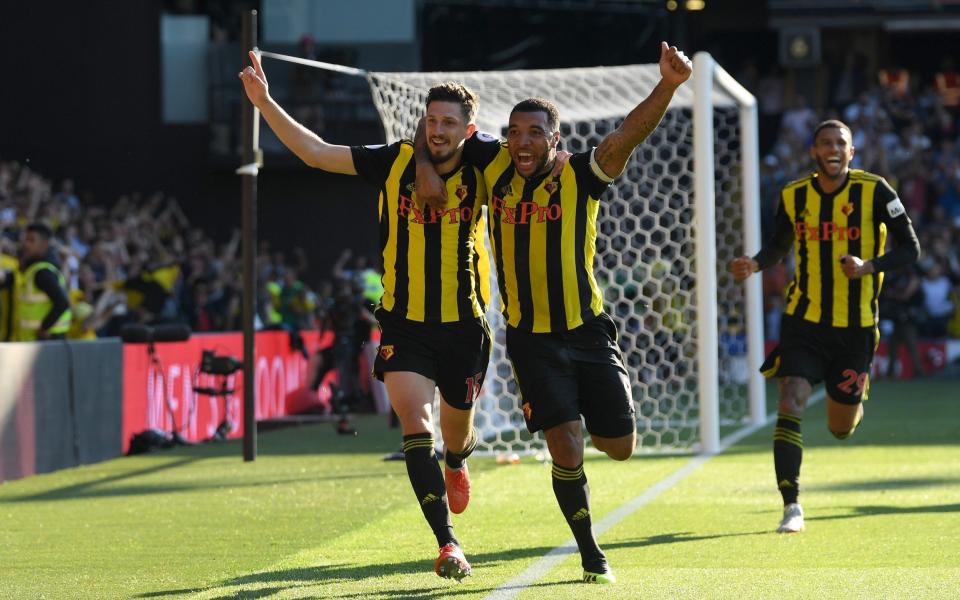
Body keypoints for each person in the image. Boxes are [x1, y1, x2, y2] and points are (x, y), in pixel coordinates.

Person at [415, 41, 693, 584]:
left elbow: (626, 136)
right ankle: (592, 554)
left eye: (534, 132)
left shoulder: (582, 174)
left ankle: (592, 414)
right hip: (530, 340)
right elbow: (435, 136)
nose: (522, 141)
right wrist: (426, 166)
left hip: (588, 332)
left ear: (555, 139)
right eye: (515, 131)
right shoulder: (491, 163)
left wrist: (669, 84)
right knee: (565, 444)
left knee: (619, 447)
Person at [240, 52, 490, 580]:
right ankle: (447, 543)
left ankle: (457, 459)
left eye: (449, 123)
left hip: (465, 325)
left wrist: (559, 159)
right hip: (404, 322)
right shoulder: (394, 160)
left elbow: (534, 155)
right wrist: (265, 103)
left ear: (469, 129)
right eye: (431, 120)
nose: (438, 130)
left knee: (455, 430)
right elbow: (315, 153)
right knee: (413, 425)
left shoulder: (488, 161)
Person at [729, 119, 921, 533]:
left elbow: (911, 249)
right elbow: (781, 243)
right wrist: (756, 263)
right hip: (804, 320)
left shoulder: (876, 191)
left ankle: (854, 392)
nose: (833, 149)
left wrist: (869, 266)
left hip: (855, 328)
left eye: (841, 143)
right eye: (826, 143)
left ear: (852, 152)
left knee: (840, 427)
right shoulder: (794, 195)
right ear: (814, 152)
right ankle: (791, 505)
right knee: (790, 397)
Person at [5, 223, 73, 341]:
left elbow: (62, 303)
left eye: (31, 240)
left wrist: (44, 328)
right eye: (25, 239)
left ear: (44, 244)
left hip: (44, 342)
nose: (25, 244)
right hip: (30, 341)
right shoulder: (31, 268)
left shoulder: (42, 272)